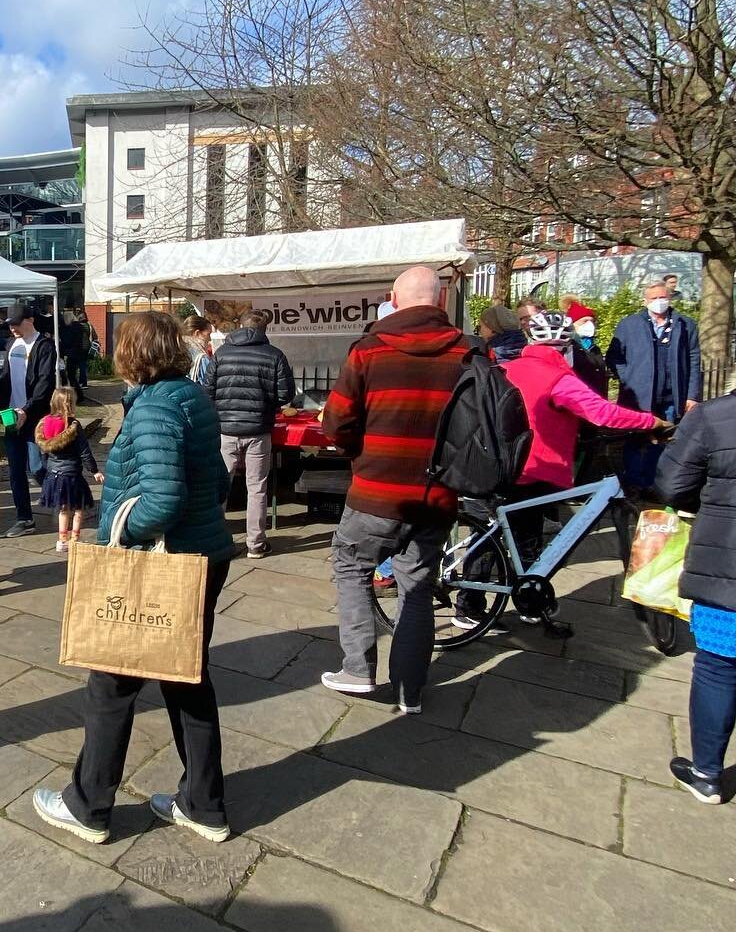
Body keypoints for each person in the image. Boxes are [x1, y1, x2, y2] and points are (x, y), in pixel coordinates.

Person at [33, 311, 234, 845]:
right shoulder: (191, 397)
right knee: (187, 677)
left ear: (131, 354)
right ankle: (203, 804)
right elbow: (219, 481)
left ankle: (88, 804)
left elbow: (165, 499)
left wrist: (123, 532)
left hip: (164, 564)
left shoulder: (153, 408)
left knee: (111, 681)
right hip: (204, 556)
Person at [319, 265, 469, 716]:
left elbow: (337, 422)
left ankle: (358, 669)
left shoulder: (369, 351)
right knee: (417, 588)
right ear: (440, 302)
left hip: (376, 492)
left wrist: (355, 450)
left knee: (351, 566)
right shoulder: (470, 352)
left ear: (393, 299)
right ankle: (411, 692)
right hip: (439, 493)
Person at [494, 310, 664, 638]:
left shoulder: (505, 368)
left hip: (501, 463)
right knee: (525, 539)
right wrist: (650, 422)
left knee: (508, 537)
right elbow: (602, 413)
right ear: (566, 343)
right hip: (537, 465)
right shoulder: (558, 378)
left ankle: (503, 603)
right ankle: (516, 603)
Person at [654, 390, 736, 802]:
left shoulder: (714, 416)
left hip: (726, 569)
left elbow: (671, 486)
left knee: (718, 667)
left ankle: (706, 774)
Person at [208, 307, 295, 560]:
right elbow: (285, 395)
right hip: (258, 429)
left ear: (240, 326)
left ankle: (214, 538)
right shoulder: (274, 355)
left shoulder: (222, 353)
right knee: (256, 487)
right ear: (264, 329)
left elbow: (207, 389)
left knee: (221, 484)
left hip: (225, 429)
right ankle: (255, 544)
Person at [607, 279, 702, 491]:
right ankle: (633, 483)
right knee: (635, 439)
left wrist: (692, 395)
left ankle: (655, 483)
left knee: (664, 441)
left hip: (672, 395)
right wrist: (627, 378)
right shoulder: (629, 324)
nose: (659, 302)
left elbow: (694, 360)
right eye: (654, 298)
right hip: (638, 396)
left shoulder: (685, 324)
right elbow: (614, 357)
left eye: (663, 297)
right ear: (645, 301)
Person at [0, 302, 56, 538]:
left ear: (30, 320)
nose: (13, 329)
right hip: (11, 415)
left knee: (37, 465)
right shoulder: (11, 344)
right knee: (15, 470)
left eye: (17, 324)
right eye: (10, 325)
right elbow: (6, 378)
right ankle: (25, 518)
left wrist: (27, 410)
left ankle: (63, 497)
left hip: (34, 415)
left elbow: (44, 383)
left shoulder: (44, 346)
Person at [35, 385, 102, 551]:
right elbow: (84, 452)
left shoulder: (45, 422)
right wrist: (94, 470)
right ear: (71, 404)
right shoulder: (73, 426)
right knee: (79, 507)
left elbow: (43, 451)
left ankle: (61, 541)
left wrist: (47, 468)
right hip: (71, 474)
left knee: (63, 509)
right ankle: (75, 539)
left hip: (53, 473)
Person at [562, 301, 610, 396]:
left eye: (592, 321)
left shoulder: (594, 349)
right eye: (584, 321)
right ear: (572, 324)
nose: (590, 325)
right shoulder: (567, 348)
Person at [60, 308, 91, 398]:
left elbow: (67, 340)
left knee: (70, 376)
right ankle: (78, 394)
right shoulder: (79, 327)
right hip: (77, 353)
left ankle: (78, 395)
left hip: (72, 354)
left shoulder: (71, 328)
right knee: (72, 375)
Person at [180, 313, 215, 390]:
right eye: (208, 334)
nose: (209, 339)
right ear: (197, 333)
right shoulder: (201, 358)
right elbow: (209, 384)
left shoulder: (176, 350)